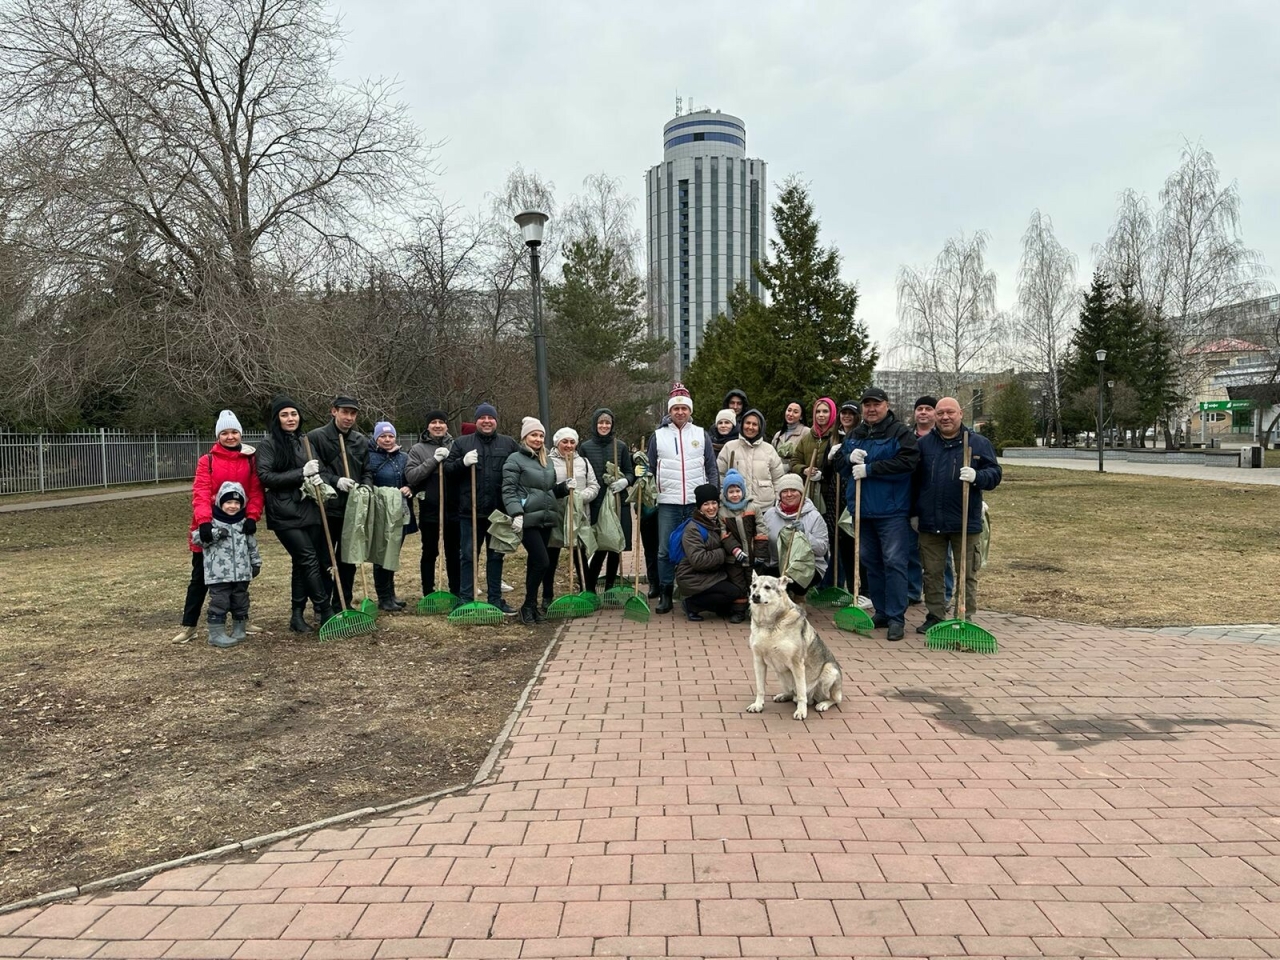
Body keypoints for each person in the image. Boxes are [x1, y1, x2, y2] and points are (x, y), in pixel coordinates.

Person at [173, 410, 264, 643]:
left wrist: (253, 516)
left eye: (234, 432)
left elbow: (255, 491)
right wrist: (203, 522)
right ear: (218, 435)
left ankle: (241, 621)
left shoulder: (250, 460)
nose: (230, 437)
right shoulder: (208, 461)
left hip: (239, 525)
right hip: (211, 525)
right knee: (200, 577)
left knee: (238, 579)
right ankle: (189, 625)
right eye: (225, 433)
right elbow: (200, 491)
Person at [913, 397, 1002, 633]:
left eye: (950, 412)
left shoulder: (978, 443)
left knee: (967, 573)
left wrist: (978, 476)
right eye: (940, 413)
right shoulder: (924, 445)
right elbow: (913, 481)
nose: (945, 417)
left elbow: (995, 474)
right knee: (932, 573)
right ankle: (935, 615)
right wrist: (914, 514)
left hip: (965, 521)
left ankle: (964, 616)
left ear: (960, 414)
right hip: (931, 521)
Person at [837, 387, 920, 641]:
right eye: (867, 405)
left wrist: (871, 469)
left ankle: (896, 617)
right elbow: (841, 468)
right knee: (870, 561)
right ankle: (882, 611)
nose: (871, 409)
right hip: (862, 509)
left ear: (886, 405)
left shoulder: (900, 433)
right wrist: (847, 457)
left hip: (891, 510)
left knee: (894, 562)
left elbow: (908, 463)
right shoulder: (856, 435)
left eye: (876, 404)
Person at [255, 396, 332, 633]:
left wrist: (321, 478)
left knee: (303, 564)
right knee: (307, 558)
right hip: (284, 513)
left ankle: (297, 616)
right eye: (285, 415)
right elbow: (265, 477)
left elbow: (321, 469)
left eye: (294, 414)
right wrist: (301, 472)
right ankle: (325, 610)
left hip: (309, 508)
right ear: (277, 419)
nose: (291, 419)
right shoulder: (269, 444)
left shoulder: (305, 441)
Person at [647, 382, 719, 614]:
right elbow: (650, 468)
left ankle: (692, 590)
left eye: (684, 408)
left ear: (690, 411)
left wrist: (712, 495)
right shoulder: (658, 436)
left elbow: (711, 466)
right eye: (675, 408)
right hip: (668, 501)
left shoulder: (701, 434)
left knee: (696, 548)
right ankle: (666, 592)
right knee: (666, 549)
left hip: (695, 503)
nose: (680, 412)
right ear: (670, 411)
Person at [444, 403, 519, 616]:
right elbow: (448, 471)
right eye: (482, 417)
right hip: (470, 512)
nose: (487, 421)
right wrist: (462, 463)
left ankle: (495, 599)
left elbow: (518, 472)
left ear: (496, 420)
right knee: (468, 556)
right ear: (476, 421)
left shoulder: (508, 444)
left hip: (498, 514)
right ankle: (466, 599)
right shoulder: (461, 444)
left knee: (496, 556)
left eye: (491, 417)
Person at [502, 417, 570, 626]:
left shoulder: (545, 460)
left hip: (547, 518)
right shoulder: (514, 459)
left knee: (535, 563)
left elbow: (547, 490)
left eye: (541, 435)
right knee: (542, 561)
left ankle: (530, 608)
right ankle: (528, 605)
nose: (538, 439)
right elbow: (509, 489)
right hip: (528, 519)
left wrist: (564, 488)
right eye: (534, 435)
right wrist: (516, 513)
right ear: (524, 437)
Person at [307, 396, 367, 610]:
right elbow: (316, 470)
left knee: (348, 560)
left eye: (353, 413)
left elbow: (367, 470)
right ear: (334, 411)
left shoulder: (361, 440)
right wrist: (335, 480)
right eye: (345, 412)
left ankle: (344, 602)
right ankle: (322, 606)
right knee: (324, 560)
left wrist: (365, 487)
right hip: (327, 509)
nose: (349, 417)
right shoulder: (317, 437)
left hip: (352, 510)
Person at [191, 482, 262, 648]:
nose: (233, 506)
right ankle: (216, 633)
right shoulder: (212, 523)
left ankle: (239, 628)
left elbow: (252, 545)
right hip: (219, 574)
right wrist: (214, 534)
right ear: (220, 503)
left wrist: (256, 562)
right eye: (228, 502)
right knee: (220, 601)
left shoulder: (244, 523)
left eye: (237, 503)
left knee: (241, 600)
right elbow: (196, 539)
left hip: (242, 573)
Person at [405, 410, 461, 601]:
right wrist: (434, 460)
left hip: (453, 510)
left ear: (446, 425)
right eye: (433, 422)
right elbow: (411, 476)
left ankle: (456, 591)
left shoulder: (455, 446)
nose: (438, 425)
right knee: (429, 552)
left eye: (441, 422)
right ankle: (428, 592)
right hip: (430, 509)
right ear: (428, 426)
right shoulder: (417, 449)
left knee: (454, 552)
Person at [361, 422, 416, 612]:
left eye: (390, 436)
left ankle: (391, 594)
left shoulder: (403, 457)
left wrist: (411, 488)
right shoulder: (369, 458)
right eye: (383, 436)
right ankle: (383, 597)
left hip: (400, 513)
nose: (387, 439)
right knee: (381, 555)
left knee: (393, 553)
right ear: (376, 438)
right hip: (381, 514)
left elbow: (412, 478)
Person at [905, 396, 954, 606]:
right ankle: (913, 591)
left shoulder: (944, 438)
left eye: (928, 409)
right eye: (919, 409)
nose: (923, 412)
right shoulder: (906, 438)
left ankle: (944, 594)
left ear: (935, 413)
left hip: (940, 505)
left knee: (941, 555)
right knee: (912, 551)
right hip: (912, 501)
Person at [579, 408, 633, 595]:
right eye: (601, 422)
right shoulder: (585, 447)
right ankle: (591, 588)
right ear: (595, 424)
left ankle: (610, 586)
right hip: (596, 503)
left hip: (618, 501)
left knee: (615, 545)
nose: (604, 426)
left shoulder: (621, 446)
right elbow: (581, 471)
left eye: (607, 423)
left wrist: (625, 481)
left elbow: (630, 471)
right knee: (600, 545)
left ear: (612, 425)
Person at [544, 427, 600, 608]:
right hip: (556, 514)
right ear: (557, 443)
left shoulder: (582, 462)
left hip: (578, 515)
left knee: (580, 555)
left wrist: (580, 497)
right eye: (564, 442)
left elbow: (594, 485)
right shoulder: (548, 461)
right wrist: (561, 491)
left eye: (572, 442)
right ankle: (547, 596)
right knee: (551, 556)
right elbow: (544, 487)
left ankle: (587, 591)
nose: (569, 445)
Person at [675, 483, 742, 621]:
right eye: (706, 504)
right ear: (699, 507)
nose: (711, 508)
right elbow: (698, 560)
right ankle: (691, 605)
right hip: (692, 575)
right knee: (733, 592)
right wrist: (725, 552)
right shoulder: (693, 529)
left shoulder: (719, 522)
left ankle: (717, 607)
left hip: (711, 573)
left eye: (714, 503)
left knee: (733, 592)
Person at [761, 473, 829, 600]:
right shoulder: (770, 515)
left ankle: (799, 596)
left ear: (801, 493)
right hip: (776, 564)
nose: (789, 494)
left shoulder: (814, 516)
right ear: (780, 495)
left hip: (806, 566)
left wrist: (805, 535)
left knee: (795, 579)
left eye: (793, 490)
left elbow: (822, 549)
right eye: (785, 491)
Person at [717, 408, 787, 511]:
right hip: (736, 507)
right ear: (742, 425)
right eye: (747, 423)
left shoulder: (769, 449)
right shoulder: (729, 447)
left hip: (764, 507)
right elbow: (720, 475)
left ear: (760, 427)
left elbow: (778, 479)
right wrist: (724, 497)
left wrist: (778, 500)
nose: (750, 427)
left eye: (754, 424)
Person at [718, 468, 764, 624]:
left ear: (743, 491)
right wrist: (735, 550)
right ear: (725, 494)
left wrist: (760, 553)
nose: (735, 494)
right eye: (731, 492)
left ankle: (756, 611)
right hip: (734, 558)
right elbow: (723, 534)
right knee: (738, 583)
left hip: (752, 555)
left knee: (754, 583)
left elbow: (761, 529)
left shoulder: (753, 508)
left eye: (738, 490)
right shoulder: (722, 512)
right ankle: (739, 611)